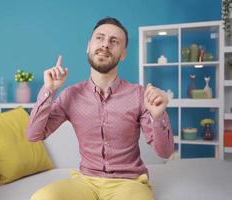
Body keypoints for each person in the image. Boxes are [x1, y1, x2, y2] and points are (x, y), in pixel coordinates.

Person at [26, 17, 174, 200]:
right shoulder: (70, 95)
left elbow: (165, 152)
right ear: (88, 46)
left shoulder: (139, 95)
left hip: (129, 183)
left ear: (123, 54)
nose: (105, 45)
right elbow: (33, 135)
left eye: (114, 41)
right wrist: (49, 90)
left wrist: (158, 116)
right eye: (100, 38)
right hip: (85, 182)